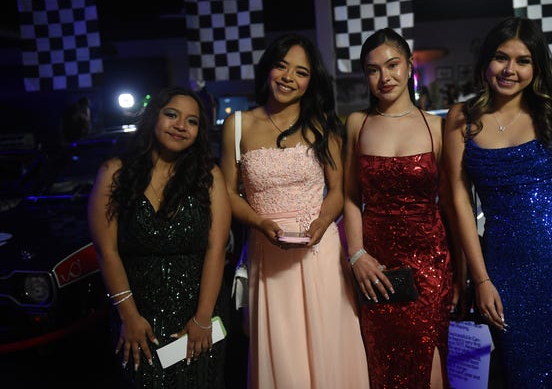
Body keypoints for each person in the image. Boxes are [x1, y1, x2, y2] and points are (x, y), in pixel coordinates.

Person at [444, 17, 552, 388]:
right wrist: (480, 279)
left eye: (523, 61)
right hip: (504, 273)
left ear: (536, 68)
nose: (510, 69)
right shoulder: (461, 119)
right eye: (501, 58)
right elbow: (460, 204)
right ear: (486, 61)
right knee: (522, 378)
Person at [220, 33, 369, 388]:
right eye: (281, 66)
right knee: (282, 354)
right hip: (267, 251)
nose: (288, 77)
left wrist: (321, 223)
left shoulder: (323, 126)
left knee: (329, 344)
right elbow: (226, 192)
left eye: (300, 72)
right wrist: (258, 222)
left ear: (310, 82)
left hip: (319, 249)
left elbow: (339, 191)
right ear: (267, 69)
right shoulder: (237, 125)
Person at [88, 86, 231, 388]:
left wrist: (203, 318)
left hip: (198, 314)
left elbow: (216, 249)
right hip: (137, 317)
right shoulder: (115, 172)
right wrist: (129, 316)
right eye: (172, 115)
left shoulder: (209, 176)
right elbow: (106, 251)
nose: (181, 125)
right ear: (154, 117)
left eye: (192, 121)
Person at [343, 27, 462, 389]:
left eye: (392, 65)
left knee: (432, 368)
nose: (384, 77)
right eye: (373, 69)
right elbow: (350, 196)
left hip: (431, 262)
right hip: (375, 267)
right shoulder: (357, 124)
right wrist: (357, 254)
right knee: (384, 367)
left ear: (409, 65)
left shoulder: (437, 127)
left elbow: (454, 206)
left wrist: (462, 273)